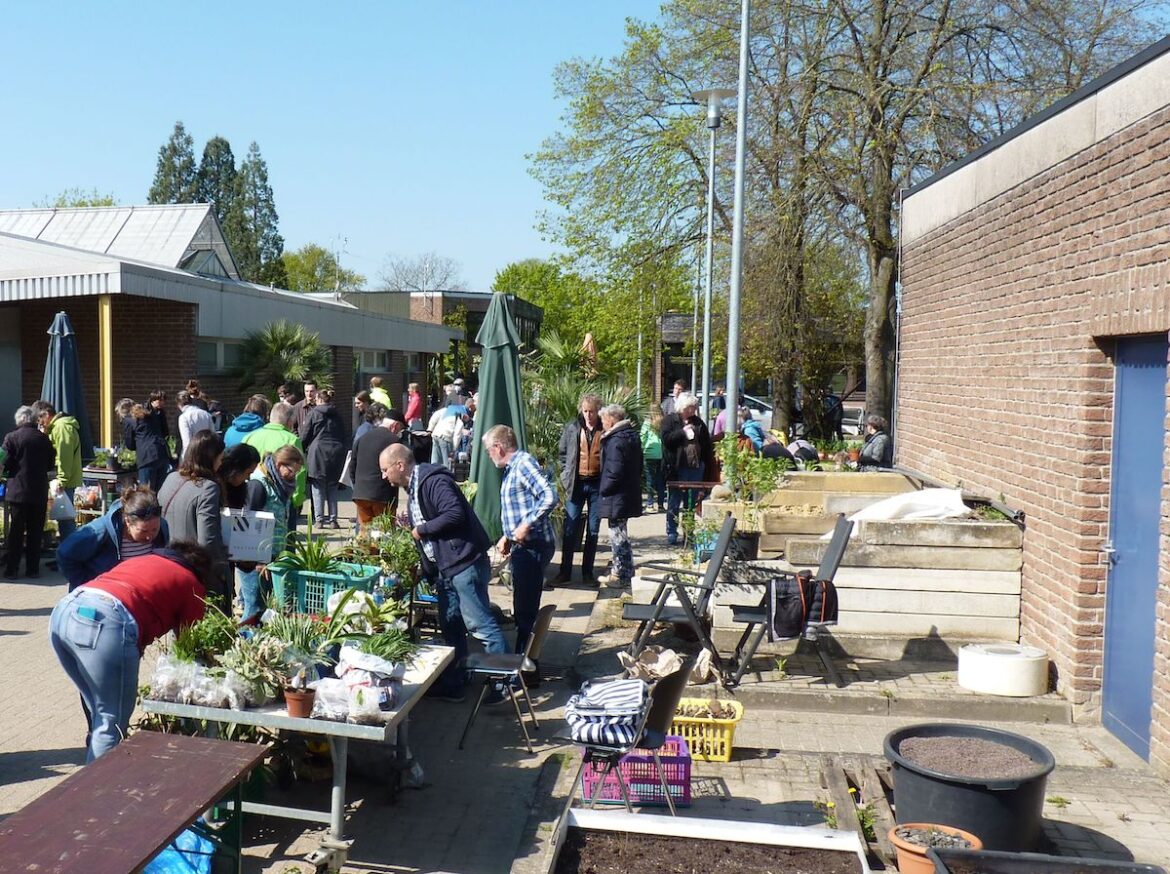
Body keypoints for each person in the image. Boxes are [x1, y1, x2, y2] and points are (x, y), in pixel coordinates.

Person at [49, 541, 214, 761]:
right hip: (105, 622)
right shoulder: (191, 581)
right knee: (111, 721)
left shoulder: (145, 560)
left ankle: (94, 771)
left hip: (64, 612)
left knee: (99, 712)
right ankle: (100, 782)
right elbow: (190, 640)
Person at [379, 442, 507, 702]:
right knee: (451, 624)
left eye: (385, 470)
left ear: (399, 465)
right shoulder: (414, 488)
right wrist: (427, 570)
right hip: (446, 569)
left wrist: (422, 530)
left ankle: (503, 683)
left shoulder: (433, 481)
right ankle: (455, 682)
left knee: (480, 624)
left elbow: (455, 513)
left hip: (464, 563)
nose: (383, 476)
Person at [483, 424, 556, 664]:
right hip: (523, 544)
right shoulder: (512, 468)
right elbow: (521, 505)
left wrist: (527, 524)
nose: (488, 455)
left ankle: (525, 666)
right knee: (522, 607)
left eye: (488, 450)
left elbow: (549, 496)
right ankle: (524, 661)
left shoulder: (523, 464)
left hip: (533, 546)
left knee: (525, 611)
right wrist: (508, 535)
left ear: (498, 447)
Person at [157, 430, 228, 603]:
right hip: (194, 570)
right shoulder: (208, 488)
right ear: (211, 457)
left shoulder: (171, 478)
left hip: (166, 562)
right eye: (220, 457)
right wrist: (220, 570)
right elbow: (207, 540)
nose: (221, 462)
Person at [58, 484, 169, 590]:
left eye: (154, 530)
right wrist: (87, 584)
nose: (149, 537)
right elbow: (64, 553)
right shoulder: (99, 531)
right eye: (143, 531)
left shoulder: (162, 526)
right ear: (127, 521)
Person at [244, 444, 304, 620]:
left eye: (297, 472)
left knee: (266, 608)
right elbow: (248, 524)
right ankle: (244, 635)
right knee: (254, 608)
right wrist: (257, 560)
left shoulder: (281, 485)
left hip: (274, 555)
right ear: (279, 465)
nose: (293, 476)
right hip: (257, 560)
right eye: (292, 471)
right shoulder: (258, 484)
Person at [552, 393, 603, 586]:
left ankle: (587, 573)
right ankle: (564, 572)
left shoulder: (603, 429)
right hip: (576, 484)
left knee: (593, 530)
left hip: (596, 485)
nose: (589, 415)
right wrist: (566, 473)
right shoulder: (572, 428)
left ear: (598, 411)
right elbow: (562, 453)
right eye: (586, 411)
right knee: (570, 528)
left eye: (592, 411)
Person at [3, 405, 56, 578]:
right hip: (39, 490)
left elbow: (4, 462)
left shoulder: (11, 437)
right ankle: (33, 569)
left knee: (16, 532)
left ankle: (12, 569)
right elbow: (50, 464)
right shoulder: (44, 439)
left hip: (18, 491)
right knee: (36, 532)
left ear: (19, 420)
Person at [595, 404, 643, 588]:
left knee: (617, 536)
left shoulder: (616, 440)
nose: (602, 423)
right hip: (627, 492)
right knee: (621, 533)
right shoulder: (631, 436)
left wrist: (603, 489)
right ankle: (625, 570)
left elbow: (614, 470)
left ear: (612, 419)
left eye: (604, 419)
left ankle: (620, 575)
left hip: (617, 495)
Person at [661, 392, 714, 546]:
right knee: (674, 501)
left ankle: (688, 533)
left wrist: (705, 464)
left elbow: (706, 445)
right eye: (691, 407)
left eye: (694, 407)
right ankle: (672, 532)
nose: (693, 410)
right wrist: (682, 432)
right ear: (683, 407)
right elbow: (666, 440)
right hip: (677, 468)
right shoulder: (670, 420)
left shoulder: (698, 423)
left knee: (690, 503)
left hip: (695, 468)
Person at [33, 400, 82, 541]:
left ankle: (69, 551)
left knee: (65, 519)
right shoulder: (57, 427)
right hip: (64, 478)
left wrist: (62, 480)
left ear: (46, 414)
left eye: (40, 419)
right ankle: (68, 549)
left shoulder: (61, 427)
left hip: (64, 480)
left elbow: (64, 456)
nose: (39, 423)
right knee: (64, 518)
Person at [299, 387, 347, 529]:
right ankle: (333, 520)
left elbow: (305, 436)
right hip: (336, 453)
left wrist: (302, 450)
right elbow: (344, 435)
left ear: (319, 399)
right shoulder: (337, 414)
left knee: (317, 487)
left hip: (317, 453)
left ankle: (319, 520)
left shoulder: (313, 414)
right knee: (332, 487)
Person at [352, 403, 402, 535]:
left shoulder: (363, 438)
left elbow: (353, 465)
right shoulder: (394, 440)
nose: (399, 432)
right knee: (385, 533)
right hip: (383, 494)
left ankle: (366, 549)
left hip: (361, 493)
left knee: (365, 532)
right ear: (395, 425)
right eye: (400, 428)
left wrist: (357, 485)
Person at [124, 392, 172, 491]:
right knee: (160, 490)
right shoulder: (155, 415)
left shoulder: (129, 420)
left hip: (146, 457)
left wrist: (138, 446)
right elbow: (165, 432)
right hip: (162, 453)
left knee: (146, 491)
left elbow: (129, 444)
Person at [426, 388, 466, 467]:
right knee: (446, 463)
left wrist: (430, 429)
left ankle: (433, 472)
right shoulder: (458, 416)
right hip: (446, 437)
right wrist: (454, 449)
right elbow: (457, 434)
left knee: (435, 460)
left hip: (436, 434)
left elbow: (434, 418)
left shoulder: (444, 410)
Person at [641, 405, 666, 513]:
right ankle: (660, 504)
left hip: (649, 453)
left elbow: (643, 437)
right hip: (661, 453)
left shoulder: (647, 423)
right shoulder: (663, 422)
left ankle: (650, 504)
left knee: (650, 480)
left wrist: (641, 448)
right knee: (661, 480)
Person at [176, 390, 213, 459]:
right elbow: (213, 435)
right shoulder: (206, 414)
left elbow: (187, 442)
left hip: (194, 455)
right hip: (207, 453)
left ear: (179, 404)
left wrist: (184, 460)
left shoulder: (183, 417)